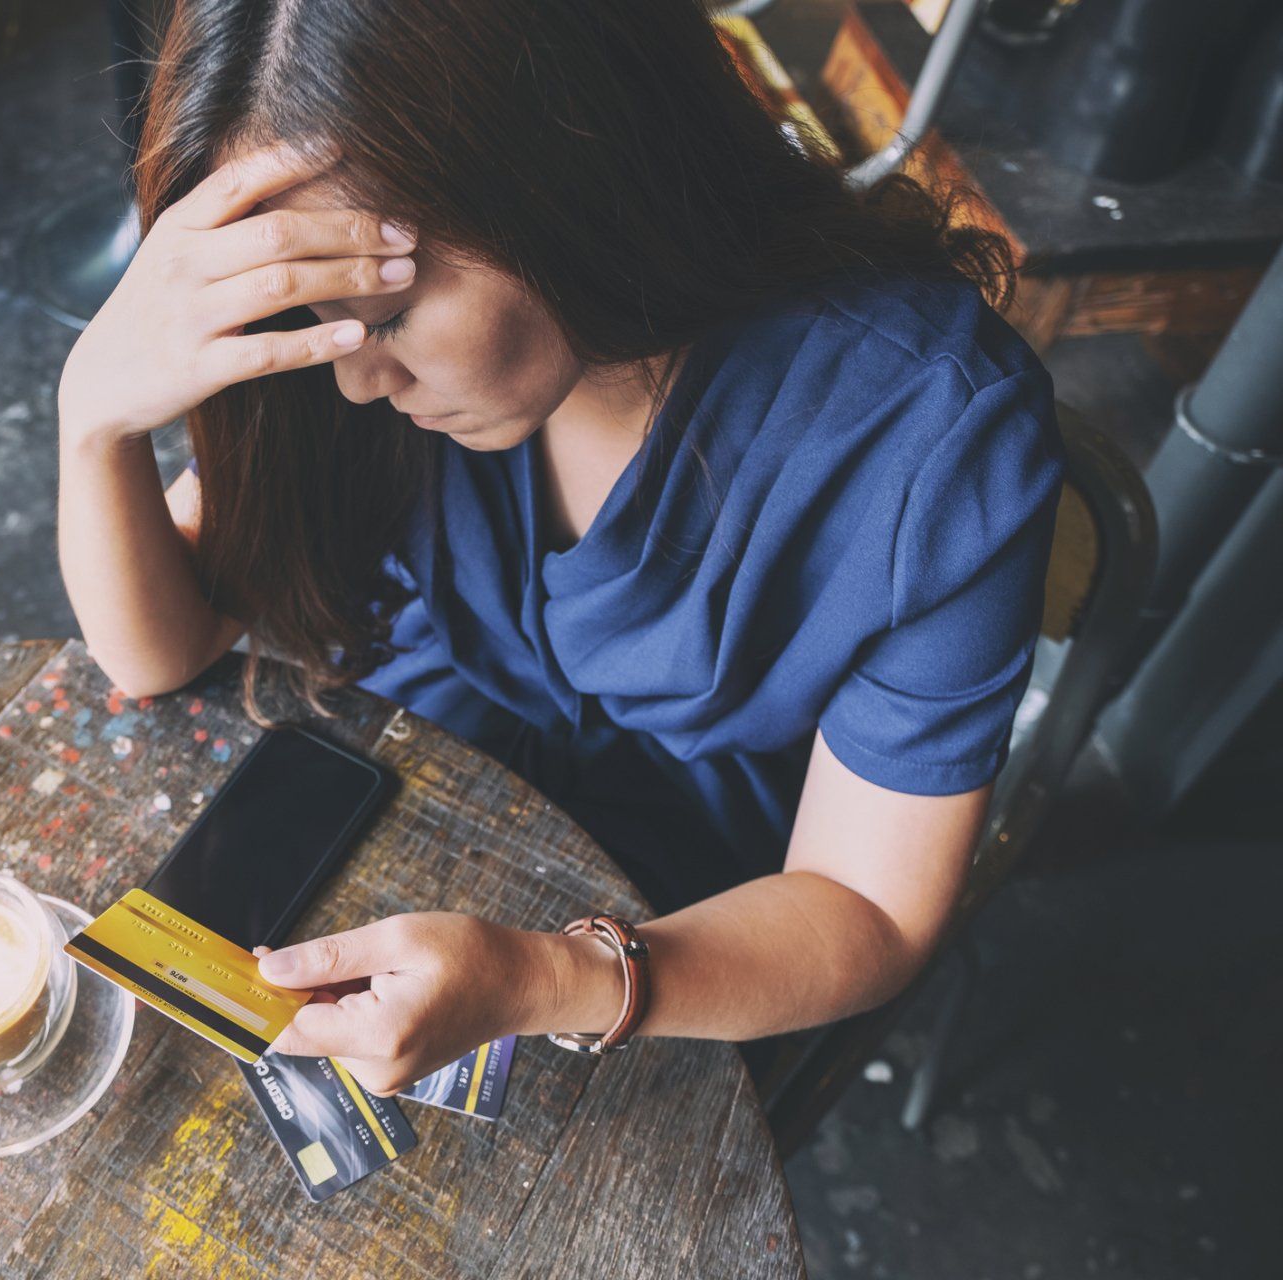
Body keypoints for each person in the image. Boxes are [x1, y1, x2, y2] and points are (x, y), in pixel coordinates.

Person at [56, 0, 1063, 1096]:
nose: (355, 379)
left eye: (383, 321)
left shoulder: (927, 435)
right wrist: (94, 418)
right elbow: (155, 651)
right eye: (320, 327)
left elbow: (866, 904)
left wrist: (553, 977)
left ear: (567, 179)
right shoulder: (336, 362)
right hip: (398, 795)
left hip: (697, 937)